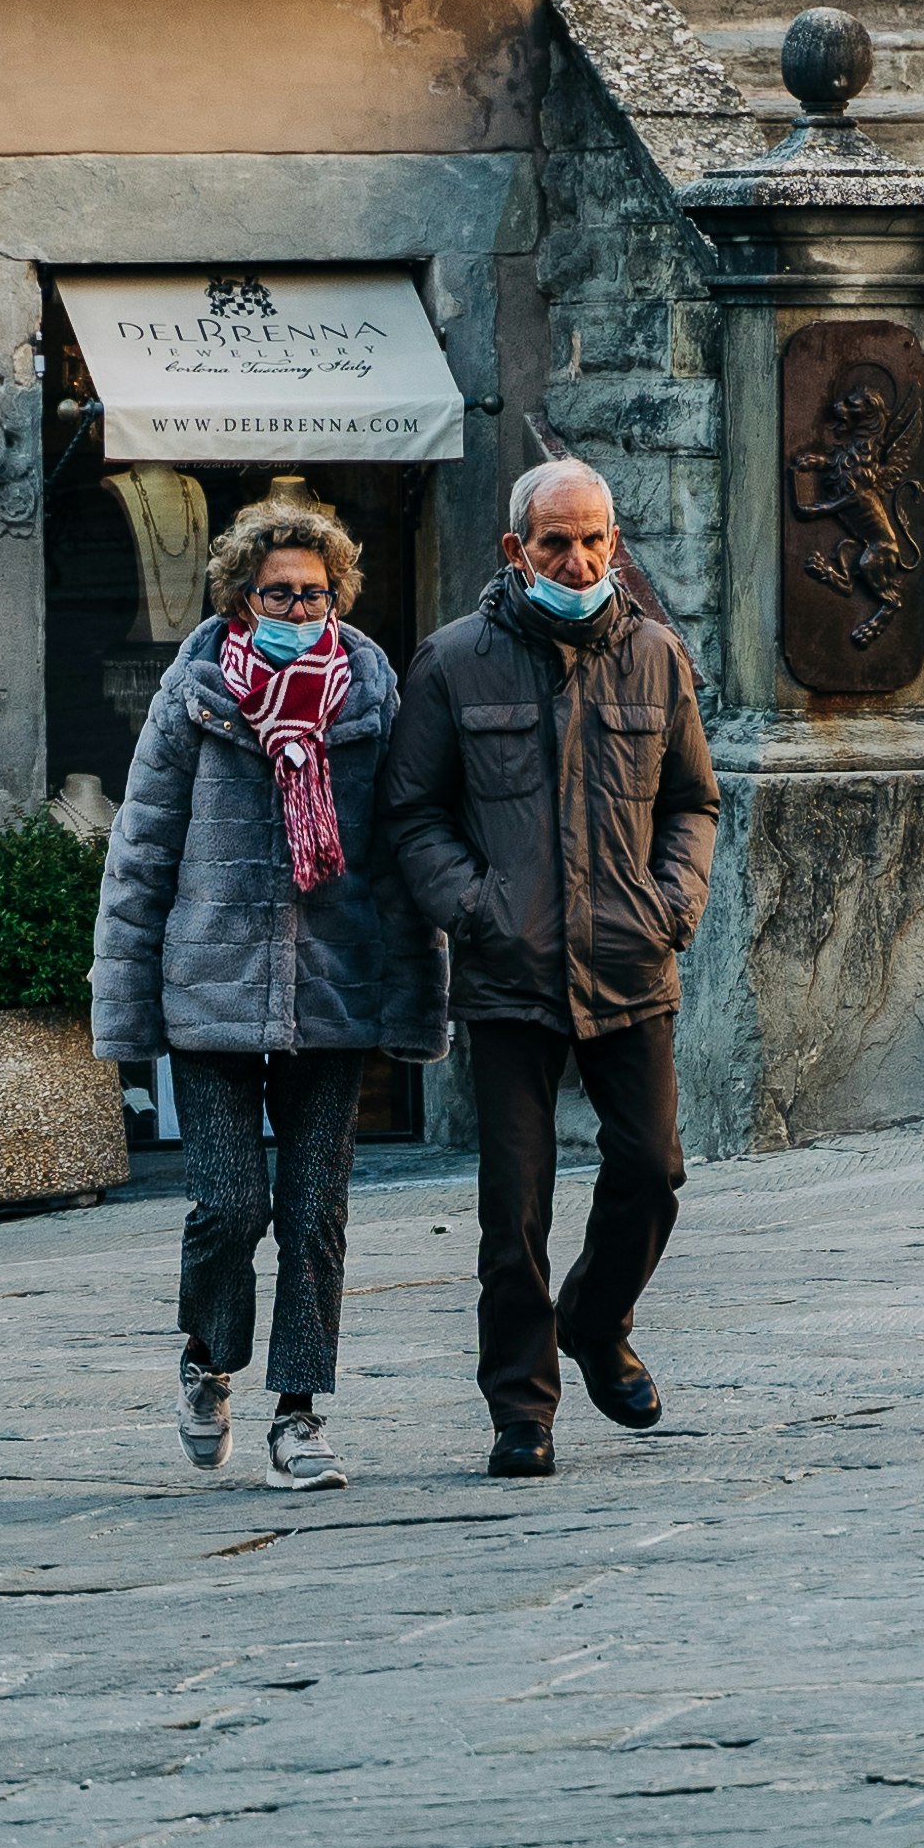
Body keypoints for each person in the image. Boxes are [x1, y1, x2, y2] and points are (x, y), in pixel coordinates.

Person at [90, 490, 444, 1492]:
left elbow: (396, 860)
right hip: (211, 983)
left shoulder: (373, 699)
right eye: (279, 592)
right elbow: (142, 853)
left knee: (315, 1207)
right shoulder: (192, 695)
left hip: (333, 989)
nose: (299, 607)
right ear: (241, 599)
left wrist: (415, 992)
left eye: (315, 591)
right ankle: (207, 1359)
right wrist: (124, 1003)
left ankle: (301, 1410)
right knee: (229, 1203)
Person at [381, 453, 719, 1481]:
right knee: (512, 1207)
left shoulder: (658, 656)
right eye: (553, 541)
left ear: (615, 542)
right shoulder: (451, 659)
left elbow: (691, 801)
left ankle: (594, 1318)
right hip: (510, 965)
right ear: (513, 548)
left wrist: (672, 903)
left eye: (591, 539)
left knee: (651, 1171)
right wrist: (472, 908)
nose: (574, 560)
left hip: (628, 955)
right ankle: (520, 1408)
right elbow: (411, 809)